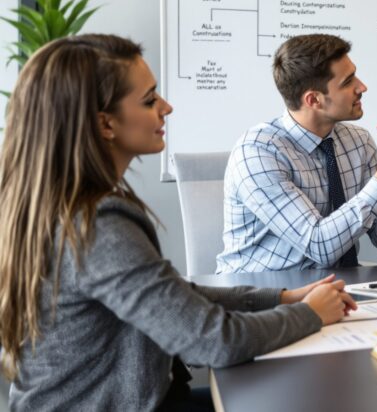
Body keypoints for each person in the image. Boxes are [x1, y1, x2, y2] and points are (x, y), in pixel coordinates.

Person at [0, 35, 357, 411]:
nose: (166, 108)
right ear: (105, 124)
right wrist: (310, 314)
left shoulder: (62, 208)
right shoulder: (98, 225)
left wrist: (282, 298)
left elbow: (172, 296)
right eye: (150, 99)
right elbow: (212, 342)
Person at [218, 34, 377, 273]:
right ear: (314, 100)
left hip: (335, 288)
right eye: (348, 82)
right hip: (262, 295)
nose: (362, 87)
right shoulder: (257, 153)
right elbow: (319, 245)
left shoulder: (358, 141)